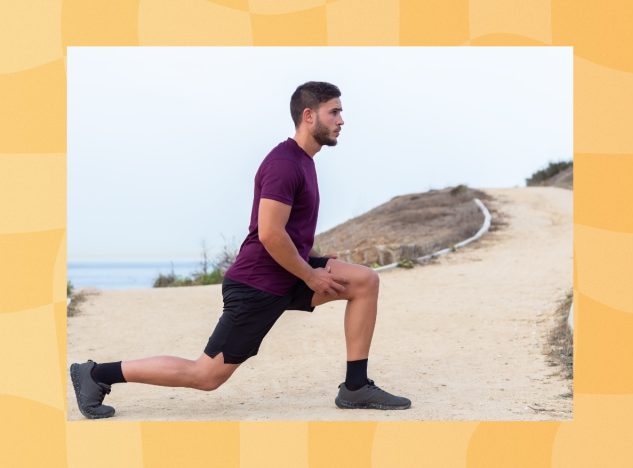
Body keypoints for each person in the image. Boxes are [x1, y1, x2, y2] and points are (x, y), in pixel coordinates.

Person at [70, 81, 411, 419]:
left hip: (286, 273)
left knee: (364, 281)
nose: (341, 120)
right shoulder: (284, 164)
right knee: (205, 375)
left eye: (341, 112)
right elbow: (270, 234)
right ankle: (97, 374)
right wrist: (310, 275)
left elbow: (285, 235)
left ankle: (355, 386)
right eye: (334, 111)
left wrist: (314, 265)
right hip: (258, 284)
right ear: (309, 116)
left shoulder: (304, 160)